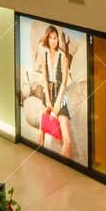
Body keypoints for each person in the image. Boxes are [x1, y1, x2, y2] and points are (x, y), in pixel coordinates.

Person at [32, 24, 75, 158]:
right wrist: (48, 101)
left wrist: (57, 104)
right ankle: (41, 163)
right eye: (50, 38)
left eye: (55, 38)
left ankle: (62, 167)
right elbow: (44, 79)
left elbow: (63, 83)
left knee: (67, 141)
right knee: (40, 135)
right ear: (47, 39)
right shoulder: (44, 54)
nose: (53, 41)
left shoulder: (63, 57)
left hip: (60, 98)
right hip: (47, 96)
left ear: (58, 39)